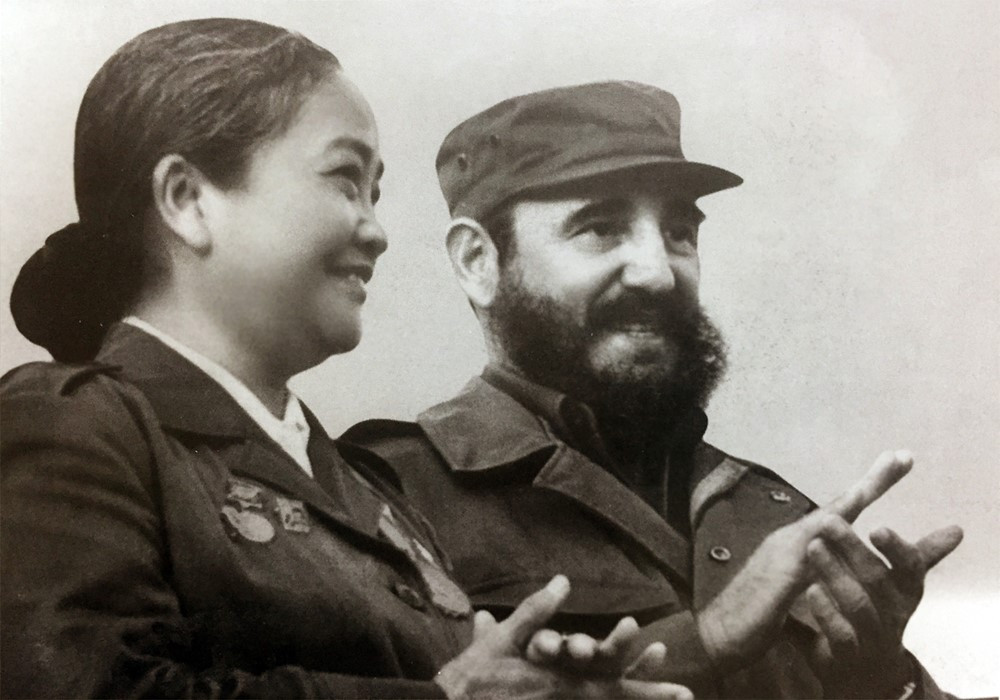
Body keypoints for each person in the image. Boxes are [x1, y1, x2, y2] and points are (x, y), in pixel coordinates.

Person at [0, 27, 693, 700]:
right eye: (345, 179)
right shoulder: (74, 427)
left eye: (375, 192)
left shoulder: (369, 492)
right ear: (187, 200)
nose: (377, 231)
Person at [344, 81, 965, 698]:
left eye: (679, 232)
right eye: (601, 228)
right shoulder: (382, 496)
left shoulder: (776, 513)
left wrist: (886, 683)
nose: (658, 273)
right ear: (477, 261)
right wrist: (704, 640)